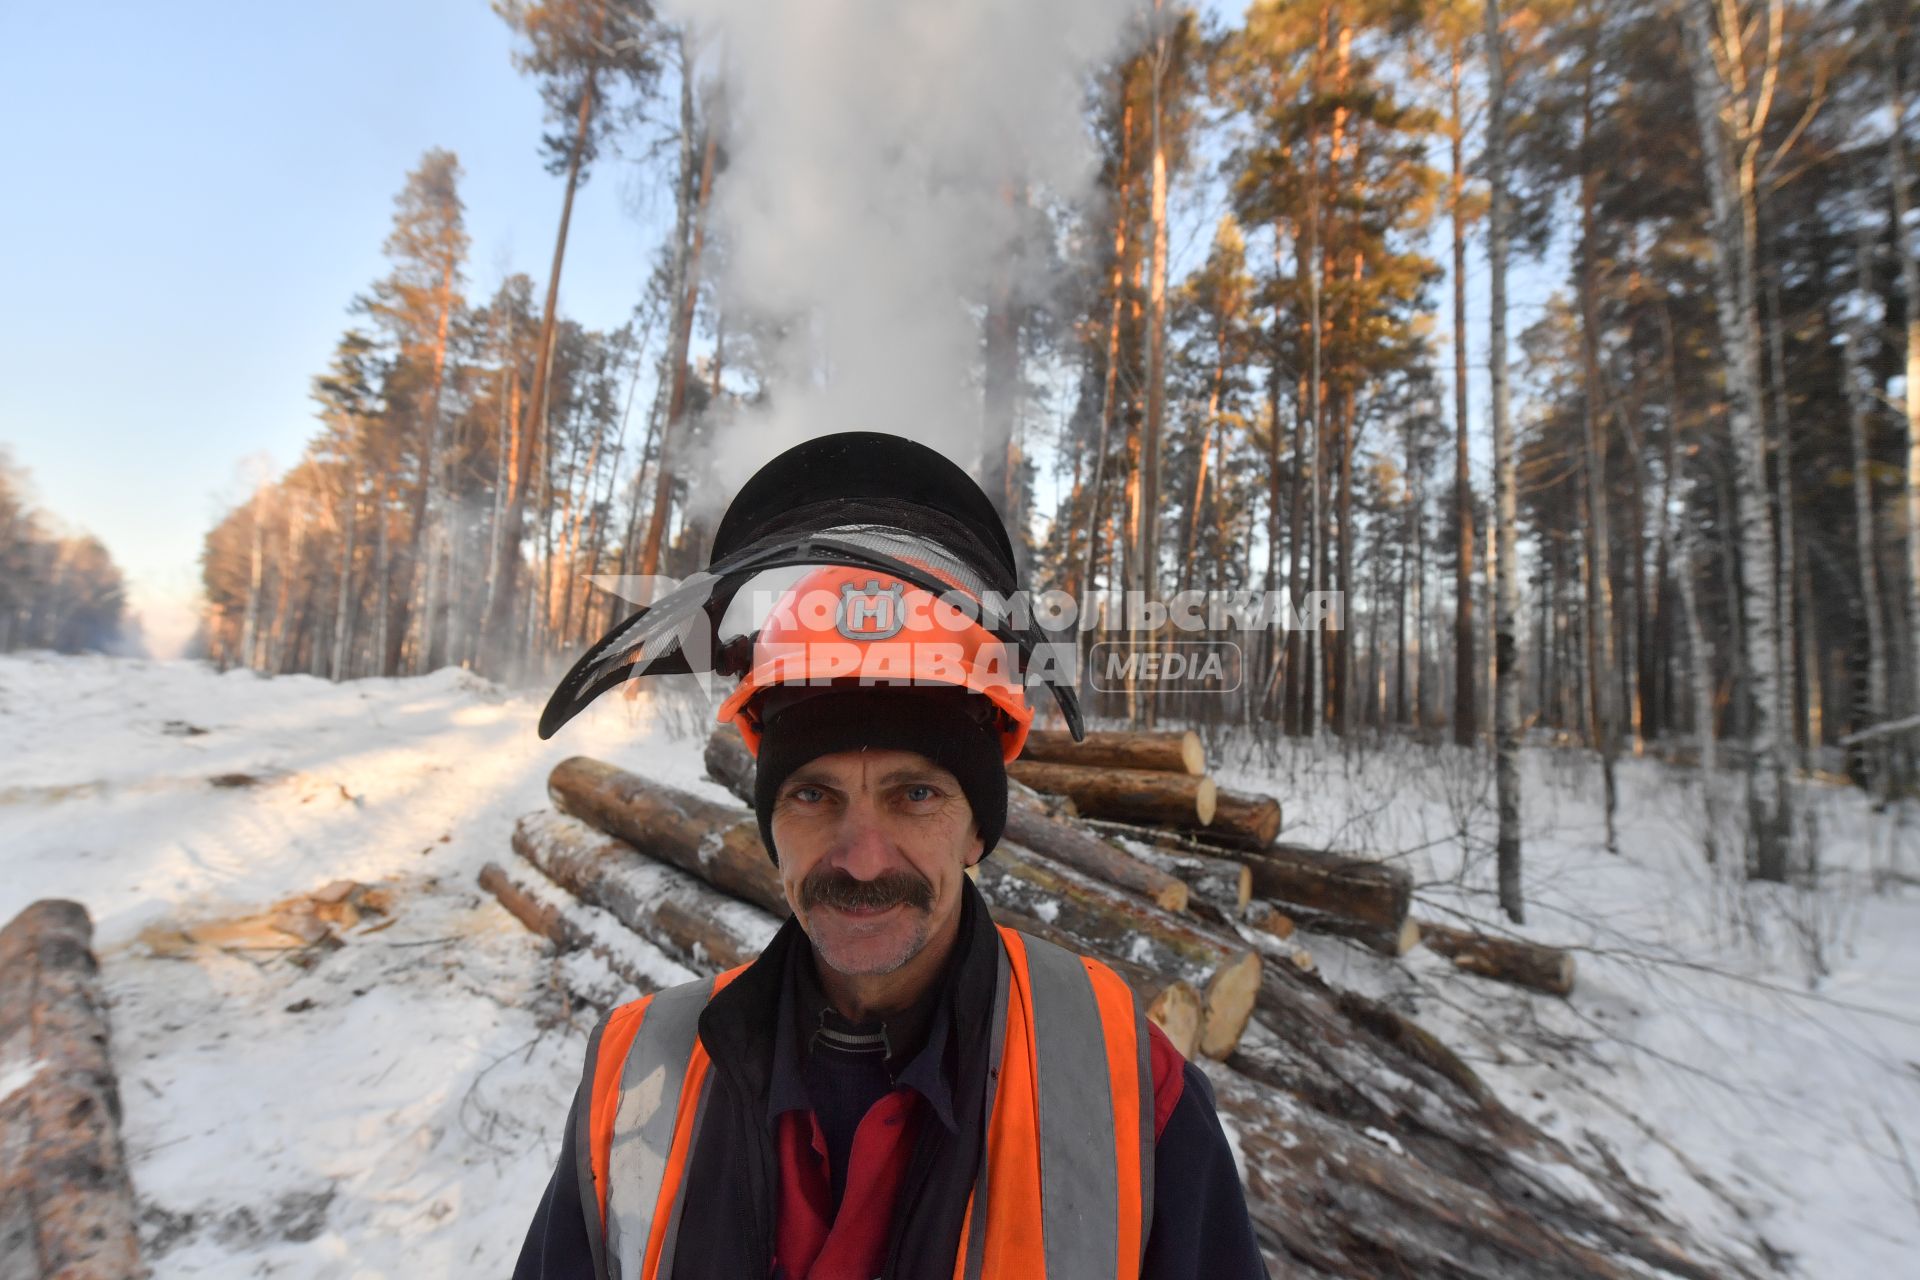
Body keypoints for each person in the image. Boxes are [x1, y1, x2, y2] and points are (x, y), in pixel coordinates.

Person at [515, 434, 1268, 1280]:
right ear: (769, 824)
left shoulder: (1128, 1086)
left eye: (916, 795)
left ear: (979, 828)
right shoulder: (635, 1073)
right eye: (813, 795)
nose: (864, 860)